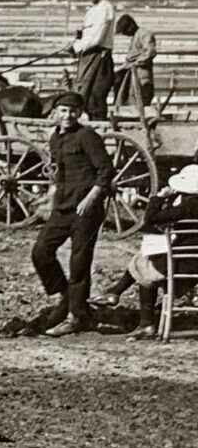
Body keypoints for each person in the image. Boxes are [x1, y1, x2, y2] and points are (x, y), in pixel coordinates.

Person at [29, 91, 115, 336]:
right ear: (56, 112)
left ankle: (77, 316)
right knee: (41, 252)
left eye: (73, 111)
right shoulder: (55, 138)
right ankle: (67, 295)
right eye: (64, 111)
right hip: (63, 207)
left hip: (86, 209)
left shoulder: (87, 136)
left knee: (79, 262)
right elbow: (58, 173)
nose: (68, 116)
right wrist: (50, 197)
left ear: (80, 113)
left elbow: (106, 171)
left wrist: (91, 198)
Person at [90, 164, 198, 339]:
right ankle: (116, 293)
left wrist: (158, 198)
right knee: (147, 260)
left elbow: (150, 219)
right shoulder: (189, 205)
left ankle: (144, 321)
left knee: (145, 265)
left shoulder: (187, 207)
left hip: (186, 266)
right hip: (191, 260)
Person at [72, 0, 116, 119]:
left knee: (95, 98)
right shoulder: (93, 9)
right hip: (87, 56)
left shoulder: (105, 8)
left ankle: (99, 127)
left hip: (99, 58)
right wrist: (77, 40)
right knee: (83, 94)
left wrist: (76, 48)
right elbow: (86, 35)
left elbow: (96, 39)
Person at [114, 13, 156, 106]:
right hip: (132, 77)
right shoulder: (135, 36)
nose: (125, 34)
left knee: (141, 102)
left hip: (142, 77)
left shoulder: (145, 34)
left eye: (125, 31)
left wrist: (135, 63)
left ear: (130, 27)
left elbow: (150, 53)